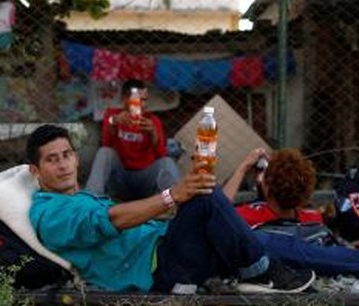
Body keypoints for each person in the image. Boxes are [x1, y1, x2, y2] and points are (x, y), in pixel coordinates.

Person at [26, 124, 315, 294]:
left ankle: (356, 265)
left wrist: (179, 200)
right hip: (159, 270)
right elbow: (107, 219)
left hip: (167, 250)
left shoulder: (82, 197)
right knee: (207, 198)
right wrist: (172, 196)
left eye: (66, 155)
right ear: (35, 171)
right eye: (52, 160)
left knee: (258, 237)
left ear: (76, 159)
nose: (63, 165)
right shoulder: (49, 212)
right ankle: (262, 272)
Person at [224, 148, 359, 281]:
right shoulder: (312, 220)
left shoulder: (248, 215)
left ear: (267, 185)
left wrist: (243, 167)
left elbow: (221, 207)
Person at [84, 79, 179, 201]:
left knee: (167, 162)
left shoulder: (152, 121)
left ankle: (177, 203)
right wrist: (113, 123)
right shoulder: (113, 115)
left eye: (145, 100)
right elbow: (106, 144)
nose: (143, 105)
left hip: (145, 180)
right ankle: (90, 202)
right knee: (104, 152)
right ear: (124, 100)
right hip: (121, 178)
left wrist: (153, 133)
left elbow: (161, 155)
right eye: (138, 100)